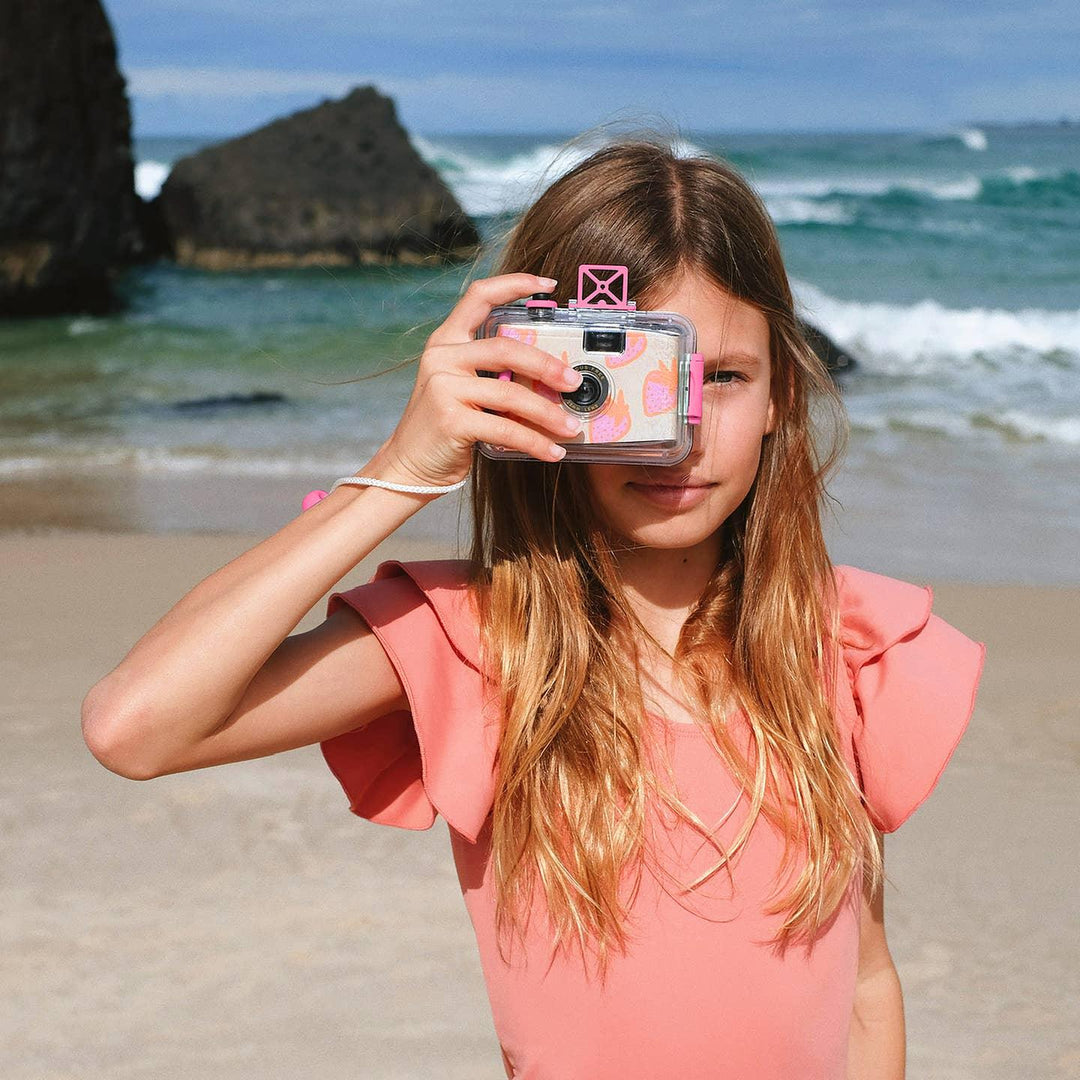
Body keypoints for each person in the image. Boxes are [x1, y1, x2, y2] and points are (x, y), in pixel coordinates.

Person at [81, 138, 987, 1079]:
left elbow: (865, 984)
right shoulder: (478, 643)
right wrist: (401, 474)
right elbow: (133, 728)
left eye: (719, 377)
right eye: (629, 380)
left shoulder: (842, 648)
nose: (675, 435)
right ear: (546, 377)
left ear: (778, 395)